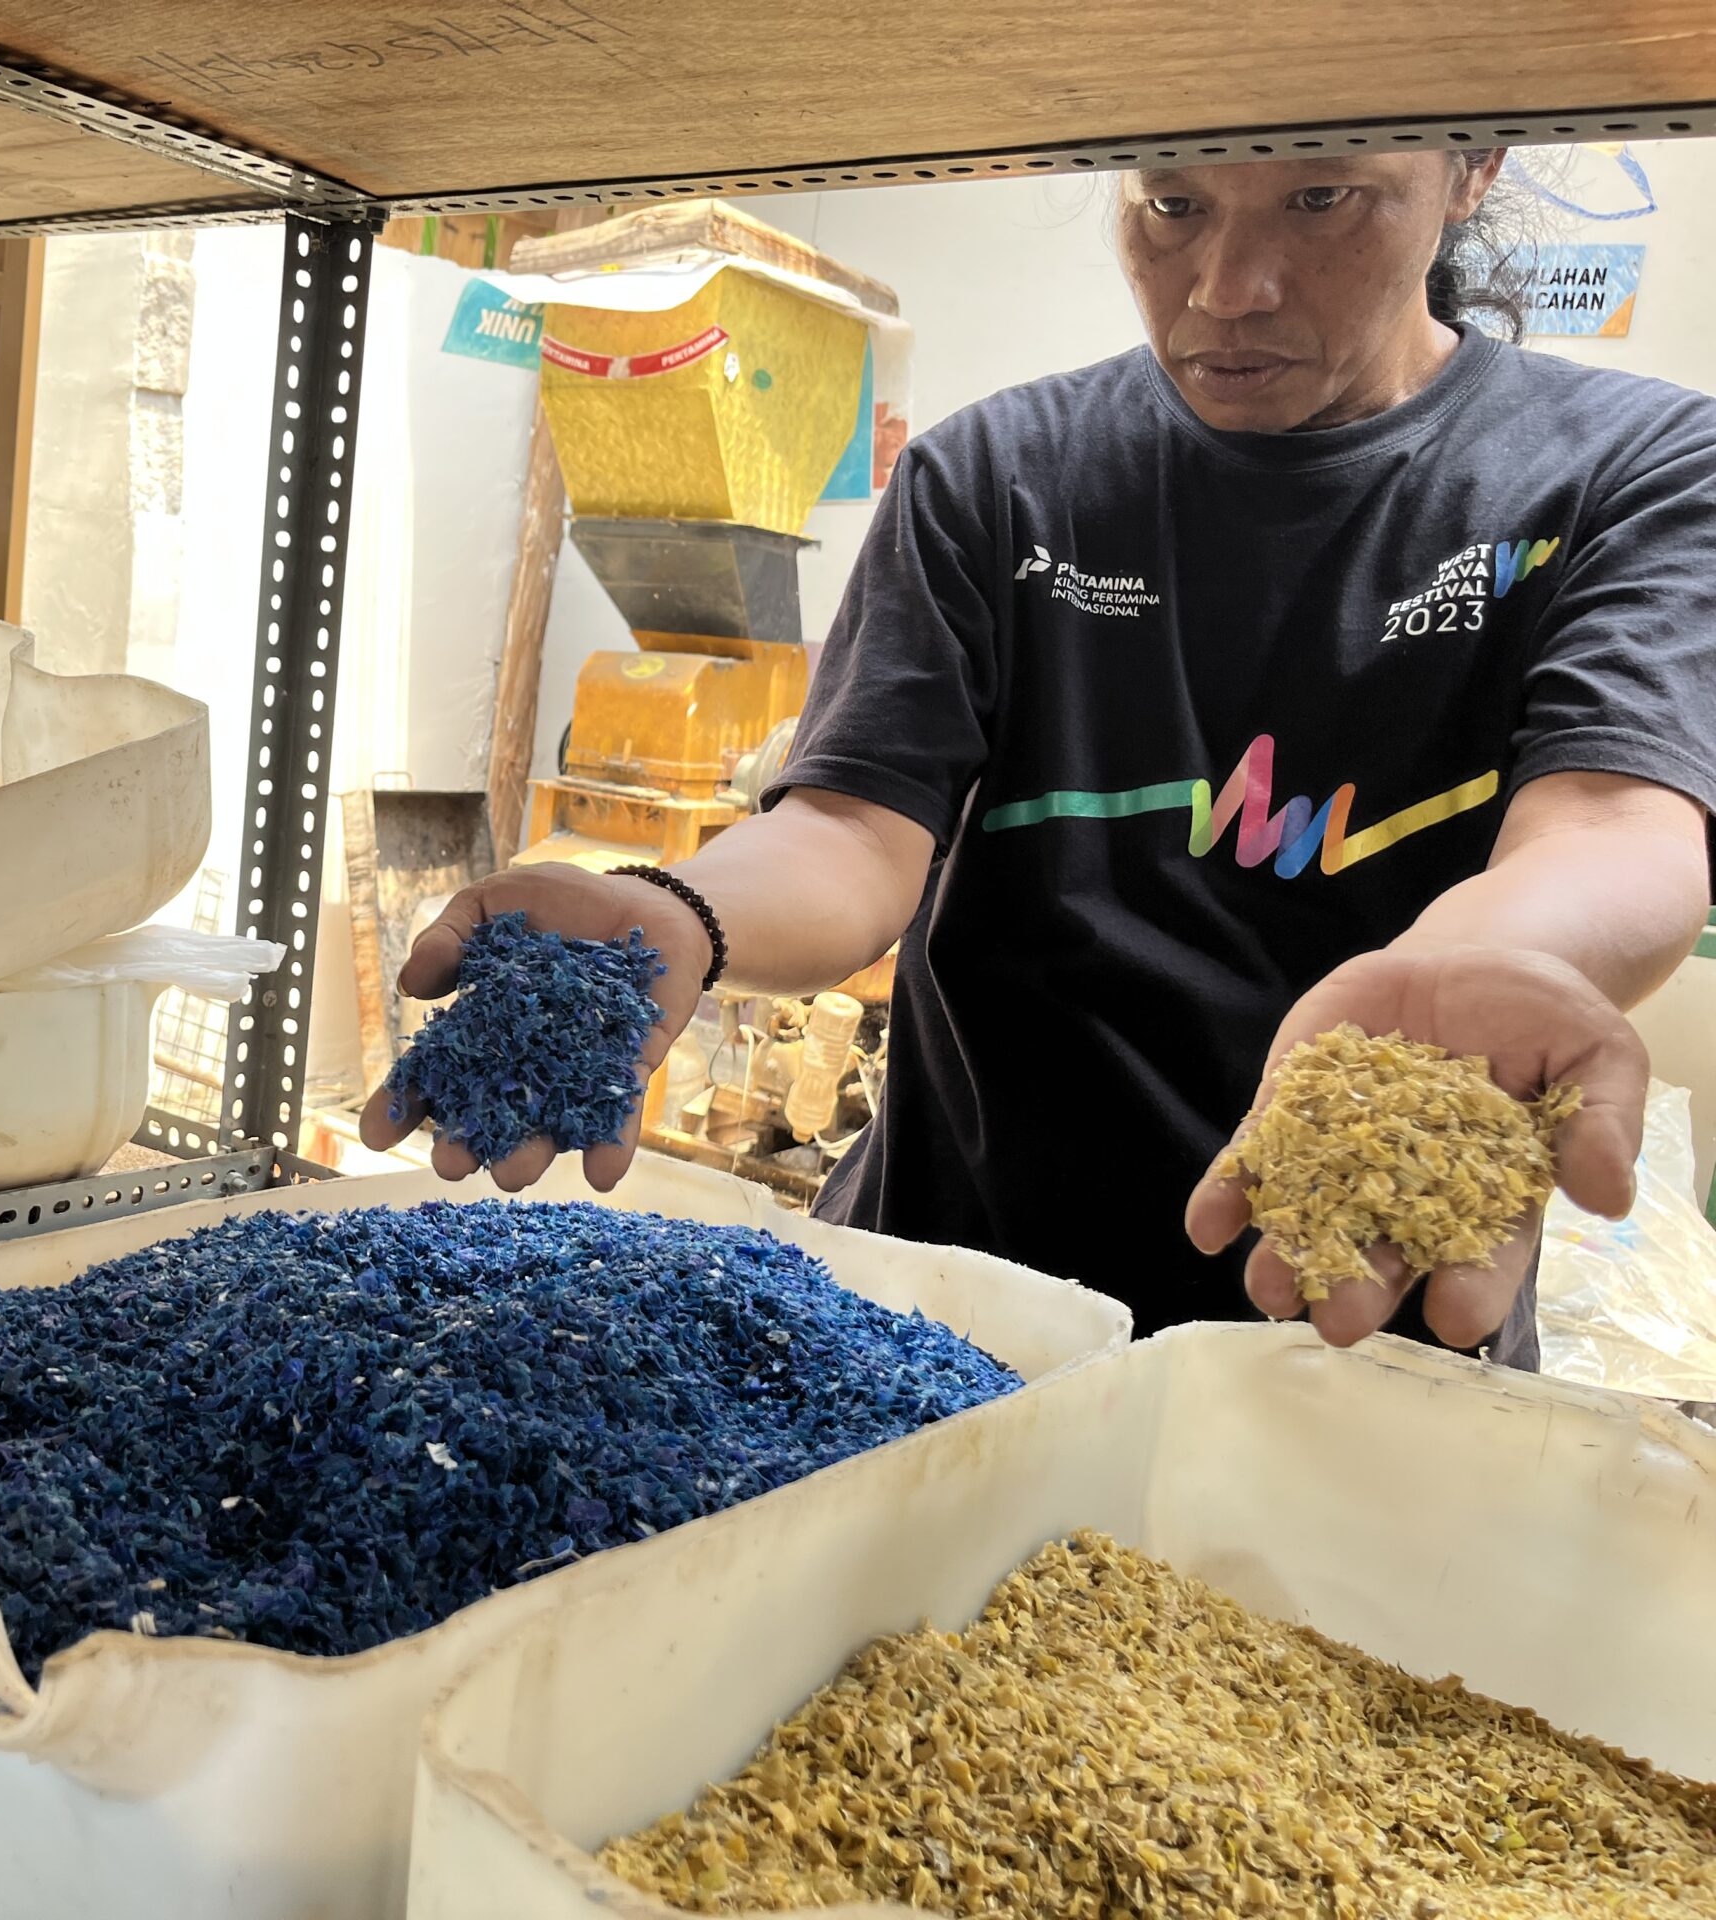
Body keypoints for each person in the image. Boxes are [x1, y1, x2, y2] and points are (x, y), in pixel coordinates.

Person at [365, 150, 1716, 1366]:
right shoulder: (995, 476)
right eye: (1172, 205)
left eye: (1322, 200)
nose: (1227, 288)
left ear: (1471, 168)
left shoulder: (1629, 469)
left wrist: (1497, 956)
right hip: (953, 1316)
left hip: (1354, 1339)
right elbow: (851, 830)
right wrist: (684, 907)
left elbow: (1612, 819)